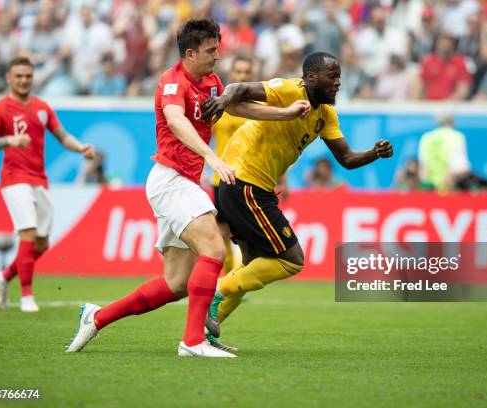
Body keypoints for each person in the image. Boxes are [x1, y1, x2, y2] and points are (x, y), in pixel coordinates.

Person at [65, 19, 310, 358]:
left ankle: (97, 317)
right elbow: (177, 121)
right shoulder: (171, 82)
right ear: (190, 53)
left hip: (184, 183)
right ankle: (193, 341)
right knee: (215, 249)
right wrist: (212, 157)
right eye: (211, 51)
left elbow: (235, 106)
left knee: (176, 284)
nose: (218, 56)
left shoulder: (210, 81)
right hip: (170, 180)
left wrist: (284, 114)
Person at [201, 51, 394, 350]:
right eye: (333, 77)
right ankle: (218, 291)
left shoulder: (326, 114)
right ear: (311, 78)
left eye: (339, 77)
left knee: (253, 265)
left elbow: (346, 158)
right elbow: (238, 89)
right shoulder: (289, 89)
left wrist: (374, 152)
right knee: (292, 261)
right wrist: (223, 101)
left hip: (247, 185)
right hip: (246, 182)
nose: (338, 83)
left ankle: (205, 335)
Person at [0, 56, 95, 312]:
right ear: (9, 78)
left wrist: (81, 147)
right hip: (14, 178)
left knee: (40, 244)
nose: (23, 80)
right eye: (18, 76)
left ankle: (3, 276)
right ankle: (27, 296)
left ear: (33, 78)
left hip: (38, 179)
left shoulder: (42, 108)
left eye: (28, 76)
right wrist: (9, 140)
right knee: (28, 233)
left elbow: (62, 136)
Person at [211, 56, 253, 276]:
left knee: (244, 233)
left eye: (246, 72)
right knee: (222, 231)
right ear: (231, 74)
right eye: (238, 71)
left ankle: (240, 274)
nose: (242, 76)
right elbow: (202, 136)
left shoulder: (259, 106)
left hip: (249, 178)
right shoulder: (220, 104)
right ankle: (229, 275)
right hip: (221, 179)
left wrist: (282, 177)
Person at [418, 115, 471, 192]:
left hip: (429, 188)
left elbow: (423, 169)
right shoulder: (457, 137)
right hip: (449, 188)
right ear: (453, 122)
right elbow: (460, 167)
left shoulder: (426, 137)